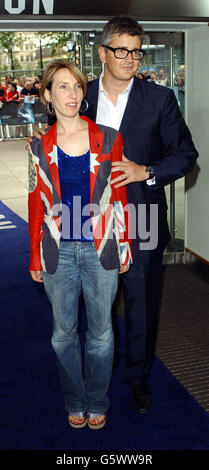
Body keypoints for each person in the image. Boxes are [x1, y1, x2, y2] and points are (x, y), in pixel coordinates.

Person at [31, 16, 198, 415]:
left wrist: (148, 171)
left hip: (139, 218)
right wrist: (41, 138)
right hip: (82, 224)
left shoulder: (159, 99)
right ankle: (85, 382)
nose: (130, 58)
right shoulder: (80, 95)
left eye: (136, 51)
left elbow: (186, 155)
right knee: (84, 312)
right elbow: (61, 130)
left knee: (140, 302)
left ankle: (137, 378)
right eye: (121, 50)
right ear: (103, 52)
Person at [28, 59, 132, 429]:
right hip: (59, 250)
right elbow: (34, 202)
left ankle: (97, 400)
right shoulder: (38, 146)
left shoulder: (107, 137)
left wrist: (125, 245)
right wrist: (34, 257)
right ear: (46, 96)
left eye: (76, 86)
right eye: (62, 87)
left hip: (100, 245)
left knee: (102, 333)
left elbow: (118, 196)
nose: (72, 95)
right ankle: (74, 398)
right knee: (63, 334)